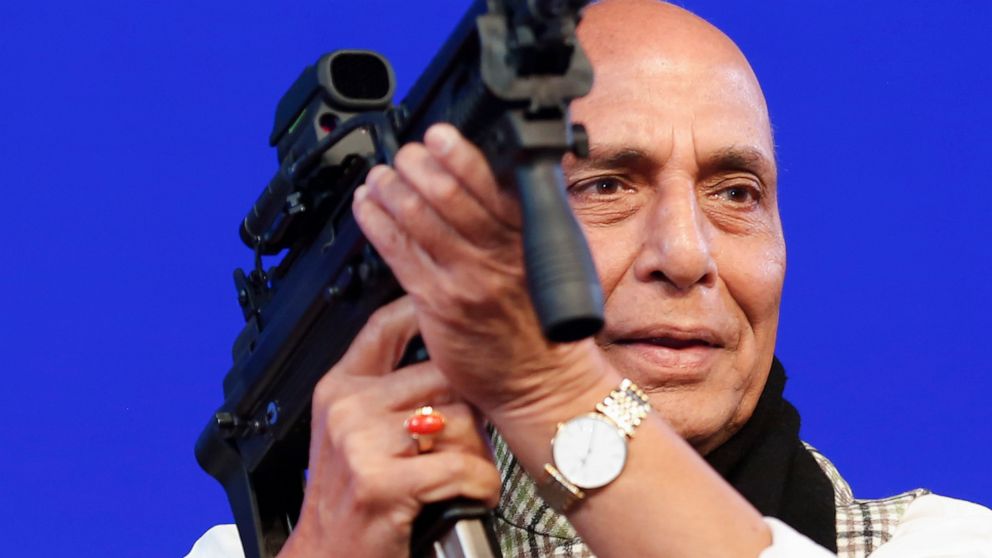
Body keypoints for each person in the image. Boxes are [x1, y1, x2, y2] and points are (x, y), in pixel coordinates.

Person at [187, 1, 992, 556]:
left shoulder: (937, 542)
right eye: (606, 185)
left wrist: (550, 392)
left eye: (736, 194)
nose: (687, 255)